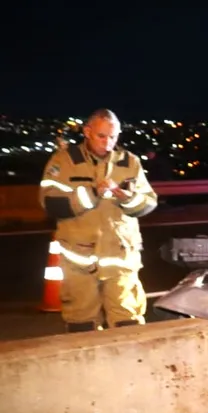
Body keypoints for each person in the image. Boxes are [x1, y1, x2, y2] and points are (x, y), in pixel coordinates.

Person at [38, 109, 158, 332]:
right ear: (87, 132)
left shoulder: (129, 162)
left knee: (128, 320)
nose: (108, 142)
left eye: (113, 136)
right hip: (79, 258)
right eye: (102, 136)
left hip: (120, 256)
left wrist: (126, 197)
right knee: (82, 323)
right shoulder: (64, 161)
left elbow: (149, 203)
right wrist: (92, 193)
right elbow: (51, 203)